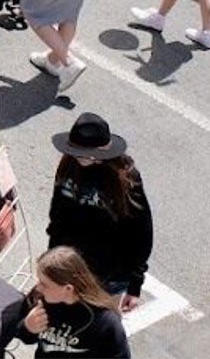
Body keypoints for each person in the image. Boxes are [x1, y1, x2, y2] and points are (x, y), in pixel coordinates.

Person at [46, 114, 153, 312]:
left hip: (109, 276)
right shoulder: (69, 166)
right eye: (75, 151)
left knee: (103, 330)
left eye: (82, 153)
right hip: (71, 267)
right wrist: (52, 259)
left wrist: (135, 284)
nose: (78, 157)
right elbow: (57, 214)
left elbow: (141, 232)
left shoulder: (125, 178)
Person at [0, 247, 133, 357]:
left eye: (45, 284)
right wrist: (27, 327)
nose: (38, 287)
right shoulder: (40, 298)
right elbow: (25, 337)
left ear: (68, 288)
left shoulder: (105, 322)